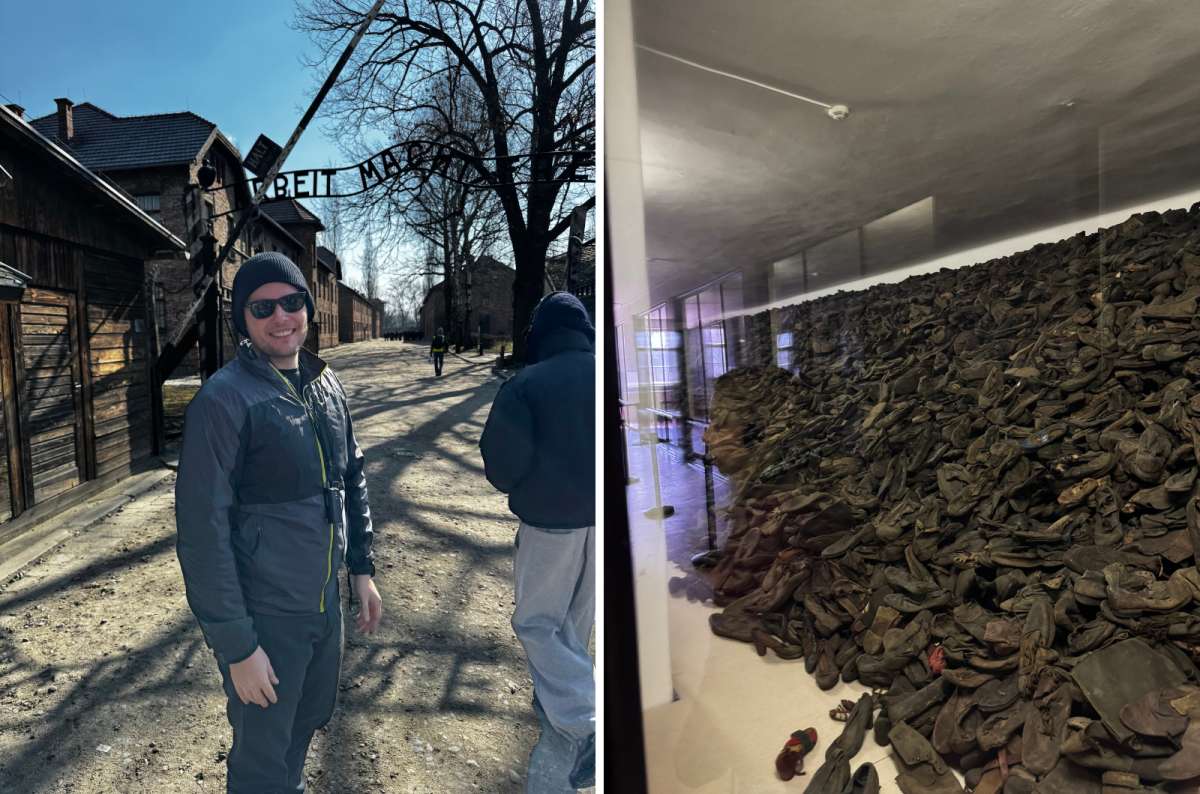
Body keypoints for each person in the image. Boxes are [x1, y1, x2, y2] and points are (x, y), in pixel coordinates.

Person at [175, 252, 383, 794]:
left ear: (308, 308)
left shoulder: (326, 384)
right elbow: (202, 533)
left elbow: (351, 476)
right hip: (266, 619)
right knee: (261, 763)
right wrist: (238, 647)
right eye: (262, 307)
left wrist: (361, 567)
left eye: (291, 302)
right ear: (242, 320)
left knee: (302, 730)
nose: (280, 317)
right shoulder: (222, 401)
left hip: (323, 609)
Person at [479, 292, 596, 792]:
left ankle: (585, 722)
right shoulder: (606, 370)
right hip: (602, 520)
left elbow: (502, 466)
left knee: (537, 622)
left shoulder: (524, 385)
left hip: (550, 522)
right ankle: (560, 701)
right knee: (574, 622)